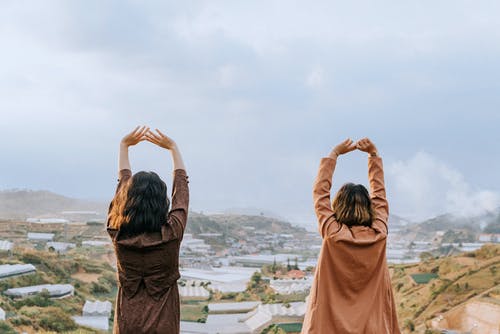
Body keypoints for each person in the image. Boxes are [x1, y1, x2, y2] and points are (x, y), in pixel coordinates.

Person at [301, 138, 401, 334]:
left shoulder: (332, 233)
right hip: (372, 326)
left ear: (338, 206)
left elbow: (320, 194)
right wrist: (373, 156)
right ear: (369, 207)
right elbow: (380, 196)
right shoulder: (379, 232)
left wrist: (334, 155)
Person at [107, 126, 189, 334]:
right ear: (162, 203)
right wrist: (173, 148)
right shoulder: (171, 234)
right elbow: (181, 195)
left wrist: (124, 146)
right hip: (164, 325)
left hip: (127, 324)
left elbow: (121, 191)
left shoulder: (117, 232)